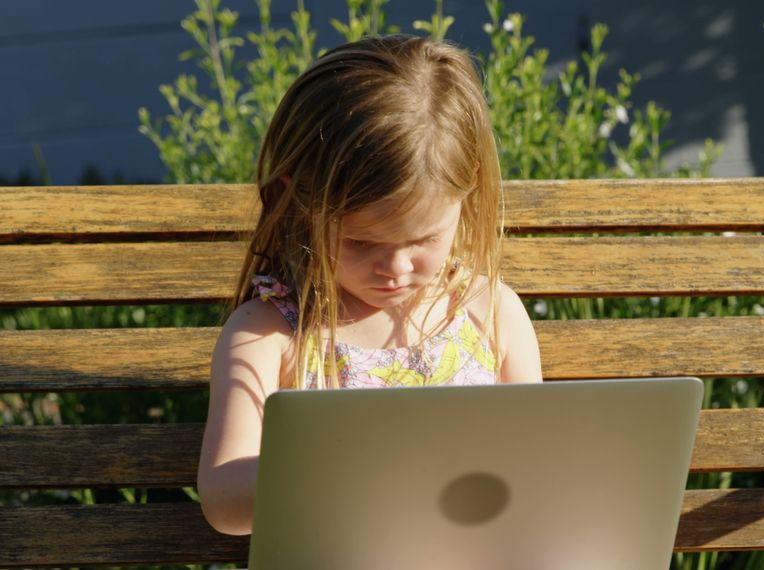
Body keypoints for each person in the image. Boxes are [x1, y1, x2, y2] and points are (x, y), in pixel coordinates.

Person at [197, 34, 543, 536]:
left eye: (424, 238)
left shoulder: (489, 313)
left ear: (466, 195)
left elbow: (536, 467)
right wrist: (363, 462)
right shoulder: (271, 335)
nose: (395, 267)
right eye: (361, 243)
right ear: (299, 205)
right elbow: (225, 504)